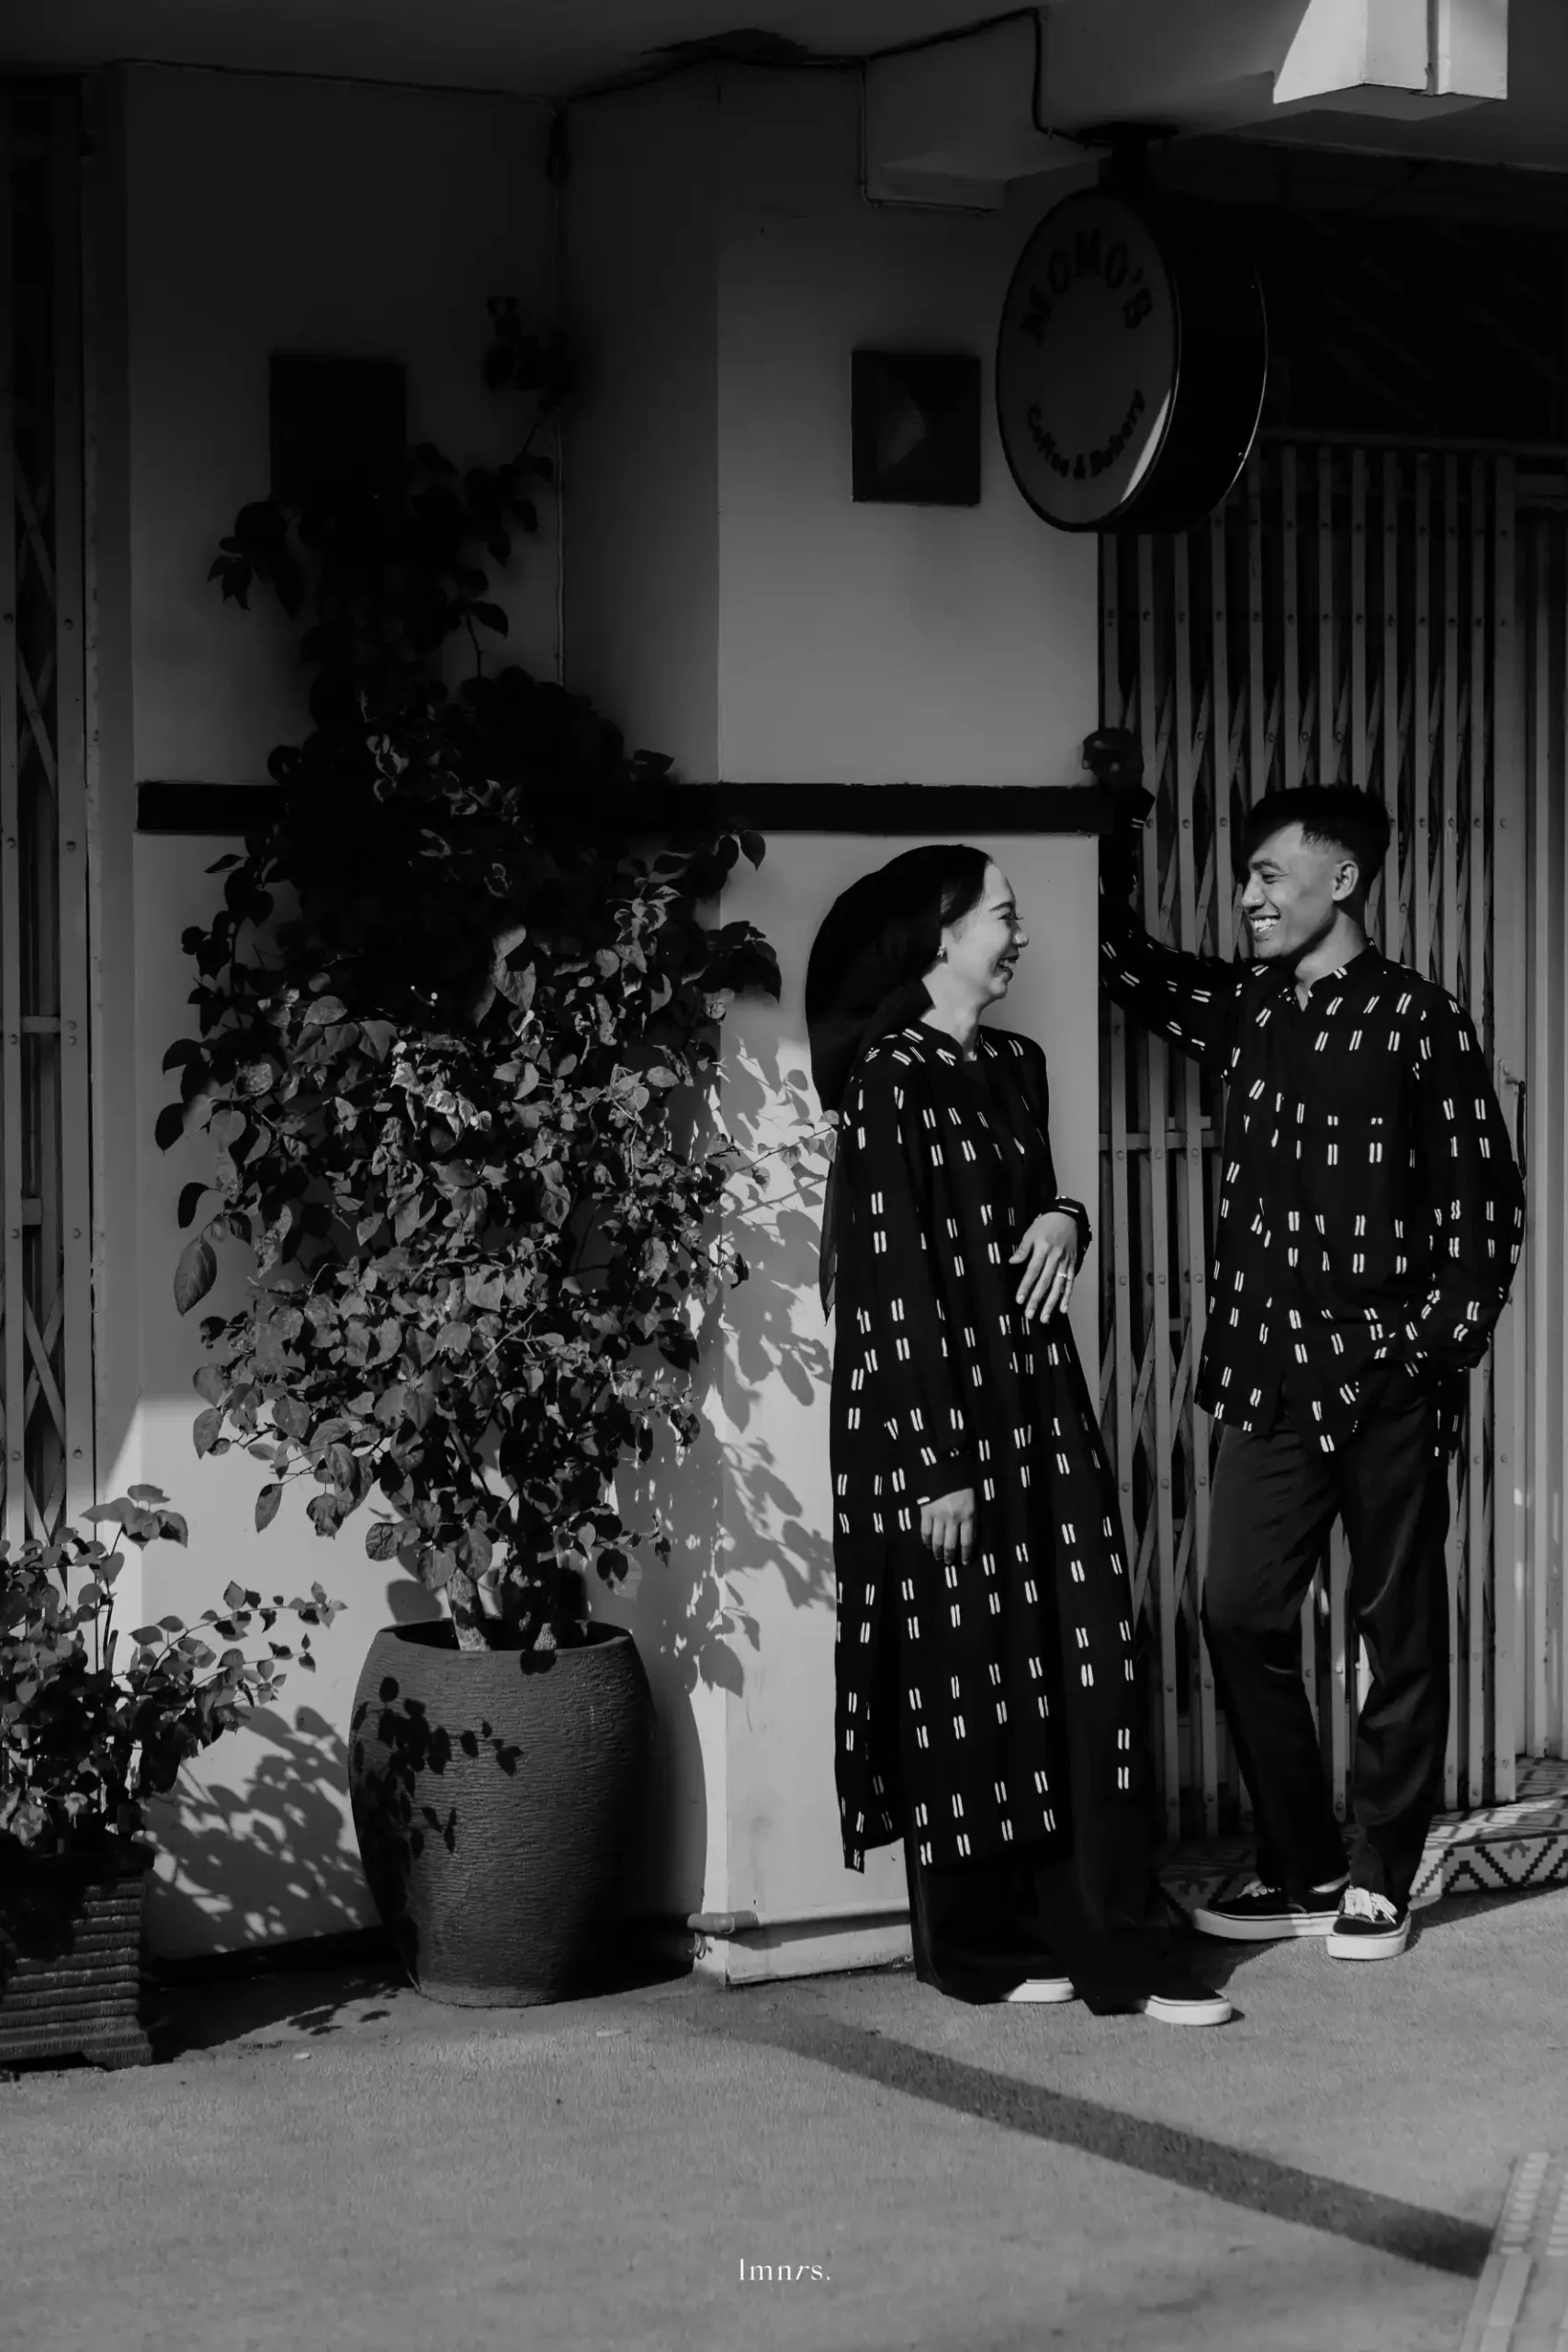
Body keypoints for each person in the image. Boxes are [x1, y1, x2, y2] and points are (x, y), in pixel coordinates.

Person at [1093, 736, 1525, 1961]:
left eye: (1268, 875)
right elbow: (1125, 964)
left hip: (1386, 1384)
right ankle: (1303, 1864)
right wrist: (1110, 821)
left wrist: (1422, 1355)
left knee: (1398, 1632)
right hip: (1265, 1380)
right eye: (1245, 876)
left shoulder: (1420, 1021)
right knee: (1233, 1609)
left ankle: (1381, 1876)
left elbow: (1484, 1212)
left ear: (1342, 879)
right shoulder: (1246, 1010)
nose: (1247, 896)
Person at [807, 844, 1231, 2027]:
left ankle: (1111, 1941)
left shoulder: (1018, 1064)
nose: (1021, 933)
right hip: (935, 1411)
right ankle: (979, 1946)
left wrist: (1068, 1216)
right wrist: (935, 1462)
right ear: (940, 935)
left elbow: (1035, 1200)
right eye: (1003, 914)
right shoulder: (887, 1079)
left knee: (1081, 1655)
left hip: (1038, 1397)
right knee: (962, 1665)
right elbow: (892, 1276)